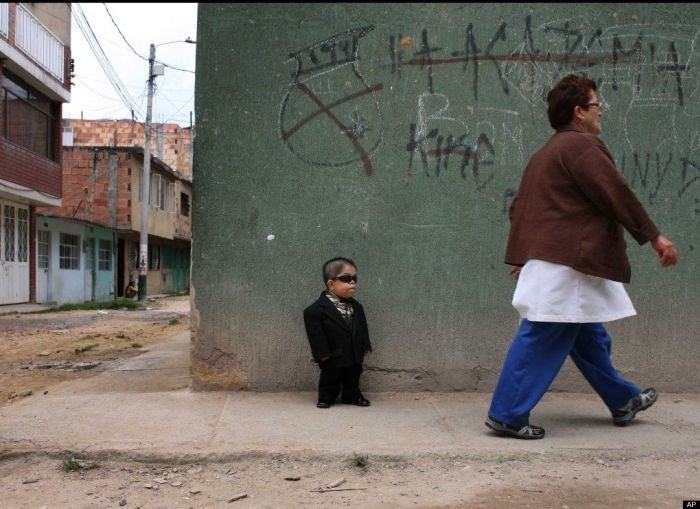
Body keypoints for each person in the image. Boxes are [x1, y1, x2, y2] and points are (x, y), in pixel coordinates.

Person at [485, 74, 679, 440]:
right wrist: (652, 236)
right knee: (543, 334)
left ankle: (623, 400)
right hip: (570, 262)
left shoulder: (547, 152)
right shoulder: (582, 147)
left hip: (561, 261)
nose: (600, 112)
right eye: (596, 105)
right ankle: (507, 414)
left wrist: (526, 254)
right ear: (579, 112)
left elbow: (521, 208)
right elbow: (615, 193)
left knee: (587, 336)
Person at [303, 257, 373, 409]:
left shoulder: (357, 307)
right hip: (332, 354)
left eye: (354, 278)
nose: (352, 282)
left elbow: (362, 328)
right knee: (330, 377)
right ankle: (326, 397)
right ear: (331, 284)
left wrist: (365, 346)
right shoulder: (315, 311)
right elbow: (316, 335)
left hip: (354, 353)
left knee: (353, 376)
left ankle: (352, 395)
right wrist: (321, 353)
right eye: (346, 278)